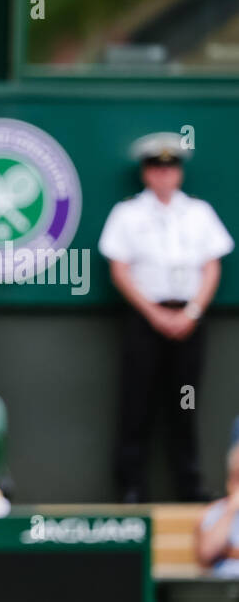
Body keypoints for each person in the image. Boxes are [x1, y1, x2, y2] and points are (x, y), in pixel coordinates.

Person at [98, 132, 234, 503]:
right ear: (146, 173)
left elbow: (211, 267)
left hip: (189, 323)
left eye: (170, 167)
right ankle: (131, 487)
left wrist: (190, 312)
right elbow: (120, 269)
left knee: (185, 403)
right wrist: (155, 314)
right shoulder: (128, 214)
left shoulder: (199, 213)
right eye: (156, 168)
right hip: (145, 322)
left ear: (179, 173)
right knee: (137, 403)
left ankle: (189, 486)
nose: (164, 175)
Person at [196, 445, 239, 577]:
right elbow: (206, 554)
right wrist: (230, 510)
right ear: (231, 481)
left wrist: (228, 552)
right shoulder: (214, 512)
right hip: (225, 591)